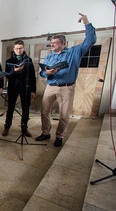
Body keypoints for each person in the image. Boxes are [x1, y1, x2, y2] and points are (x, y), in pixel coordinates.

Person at [35, 13, 96, 147]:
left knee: (64, 114)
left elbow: (90, 40)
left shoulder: (75, 52)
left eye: (54, 43)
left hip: (66, 87)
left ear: (63, 43)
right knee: (45, 111)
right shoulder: (49, 57)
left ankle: (59, 136)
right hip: (51, 86)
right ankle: (46, 132)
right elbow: (42, 73)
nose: (52, 45)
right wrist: (47, 72)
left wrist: (87, 23)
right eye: (51, 43)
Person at [2, 40, 36, 137]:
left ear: (23, 48)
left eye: (20, 48)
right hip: (13, 87)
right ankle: (7, 127)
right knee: (10, 108)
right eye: (16, 48)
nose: (18, 50)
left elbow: (32, 76)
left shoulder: (28, 60)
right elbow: (8, 76)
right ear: (14, 49)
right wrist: (14, 71)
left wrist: (33, 90)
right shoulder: (9, 61)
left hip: (25, 87)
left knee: (26, 109)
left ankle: (24, 129)